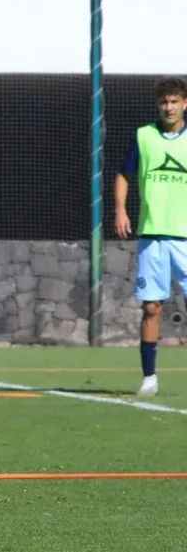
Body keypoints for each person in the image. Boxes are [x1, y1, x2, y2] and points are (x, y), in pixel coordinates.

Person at [114, 76, 187, 397]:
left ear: (185, 104)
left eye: (174, 101)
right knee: (152, 307)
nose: (169, 107)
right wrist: (120, 210)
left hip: (185, 236)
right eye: (164, 102)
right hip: (153, 234)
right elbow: (123, 174)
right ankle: (149, 378)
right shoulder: (144, 136)